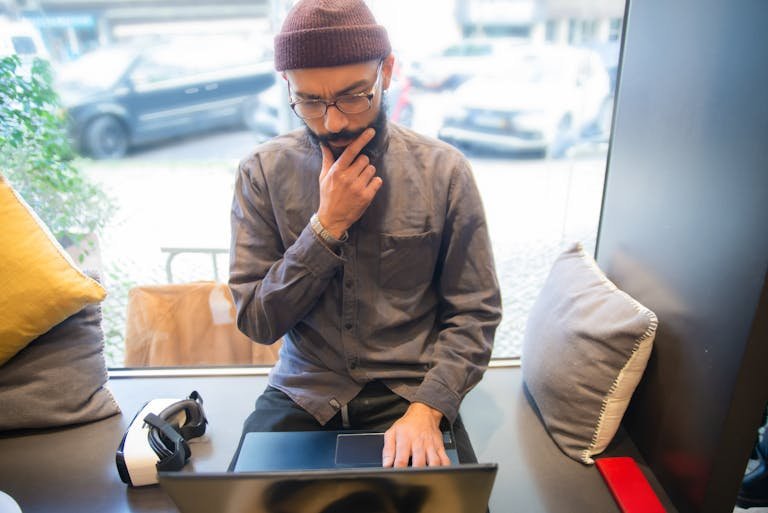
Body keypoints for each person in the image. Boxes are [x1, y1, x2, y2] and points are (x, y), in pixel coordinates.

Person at [228, 0, 501, 469]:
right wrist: (325, 228)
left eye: (355, 95)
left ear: (387, 72)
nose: (333, 122)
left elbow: (475, 312)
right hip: (303, 393)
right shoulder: (262, 172)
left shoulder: (444, 171)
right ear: (288, 87)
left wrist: (429, 407)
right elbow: (257, 319)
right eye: (310, 101)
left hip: (410, 394)